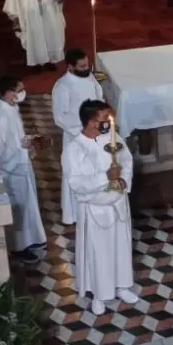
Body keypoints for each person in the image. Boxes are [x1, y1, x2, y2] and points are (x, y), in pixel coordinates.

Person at [63, 99, 139, 315]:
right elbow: (76, 183)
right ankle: (99, 294)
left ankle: (122, 286)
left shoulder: (113, 138)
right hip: (95, 209)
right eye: (105, 118)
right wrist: (105, 177)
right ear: (92, 122)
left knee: (121, 248)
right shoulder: (73, 149)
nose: (109, 122)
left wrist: (123, 179)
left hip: (118, 203)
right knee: (99, 254)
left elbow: (127, 161)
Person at [0, 75, 47, 263]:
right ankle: (18, 248)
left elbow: (15, 139)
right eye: (19, 90)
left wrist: (28, 143)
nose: (23, 93)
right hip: (11, 173)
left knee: (27, 207)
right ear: (8, 93)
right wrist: (21, 150)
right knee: (17, 211)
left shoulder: (12, 109)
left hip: (21, 168)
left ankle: (29, 242)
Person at [52, 49, 104, 226]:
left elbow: (98, 97)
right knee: (77, 173)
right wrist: (83, 129)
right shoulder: (62, 86)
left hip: (95, 133)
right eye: (81, 66)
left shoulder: (89, 77)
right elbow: (60, 117)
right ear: (70, 67)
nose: (86, 68)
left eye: (87, 64)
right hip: (76, 137)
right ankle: (73, 214)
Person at [4, 0, 65, 71]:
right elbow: (12, 2)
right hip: (30, 18)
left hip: (48, 16)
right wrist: (15, 18)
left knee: (49, 37)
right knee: (34, 39)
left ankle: (50, 61)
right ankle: (36, 63)